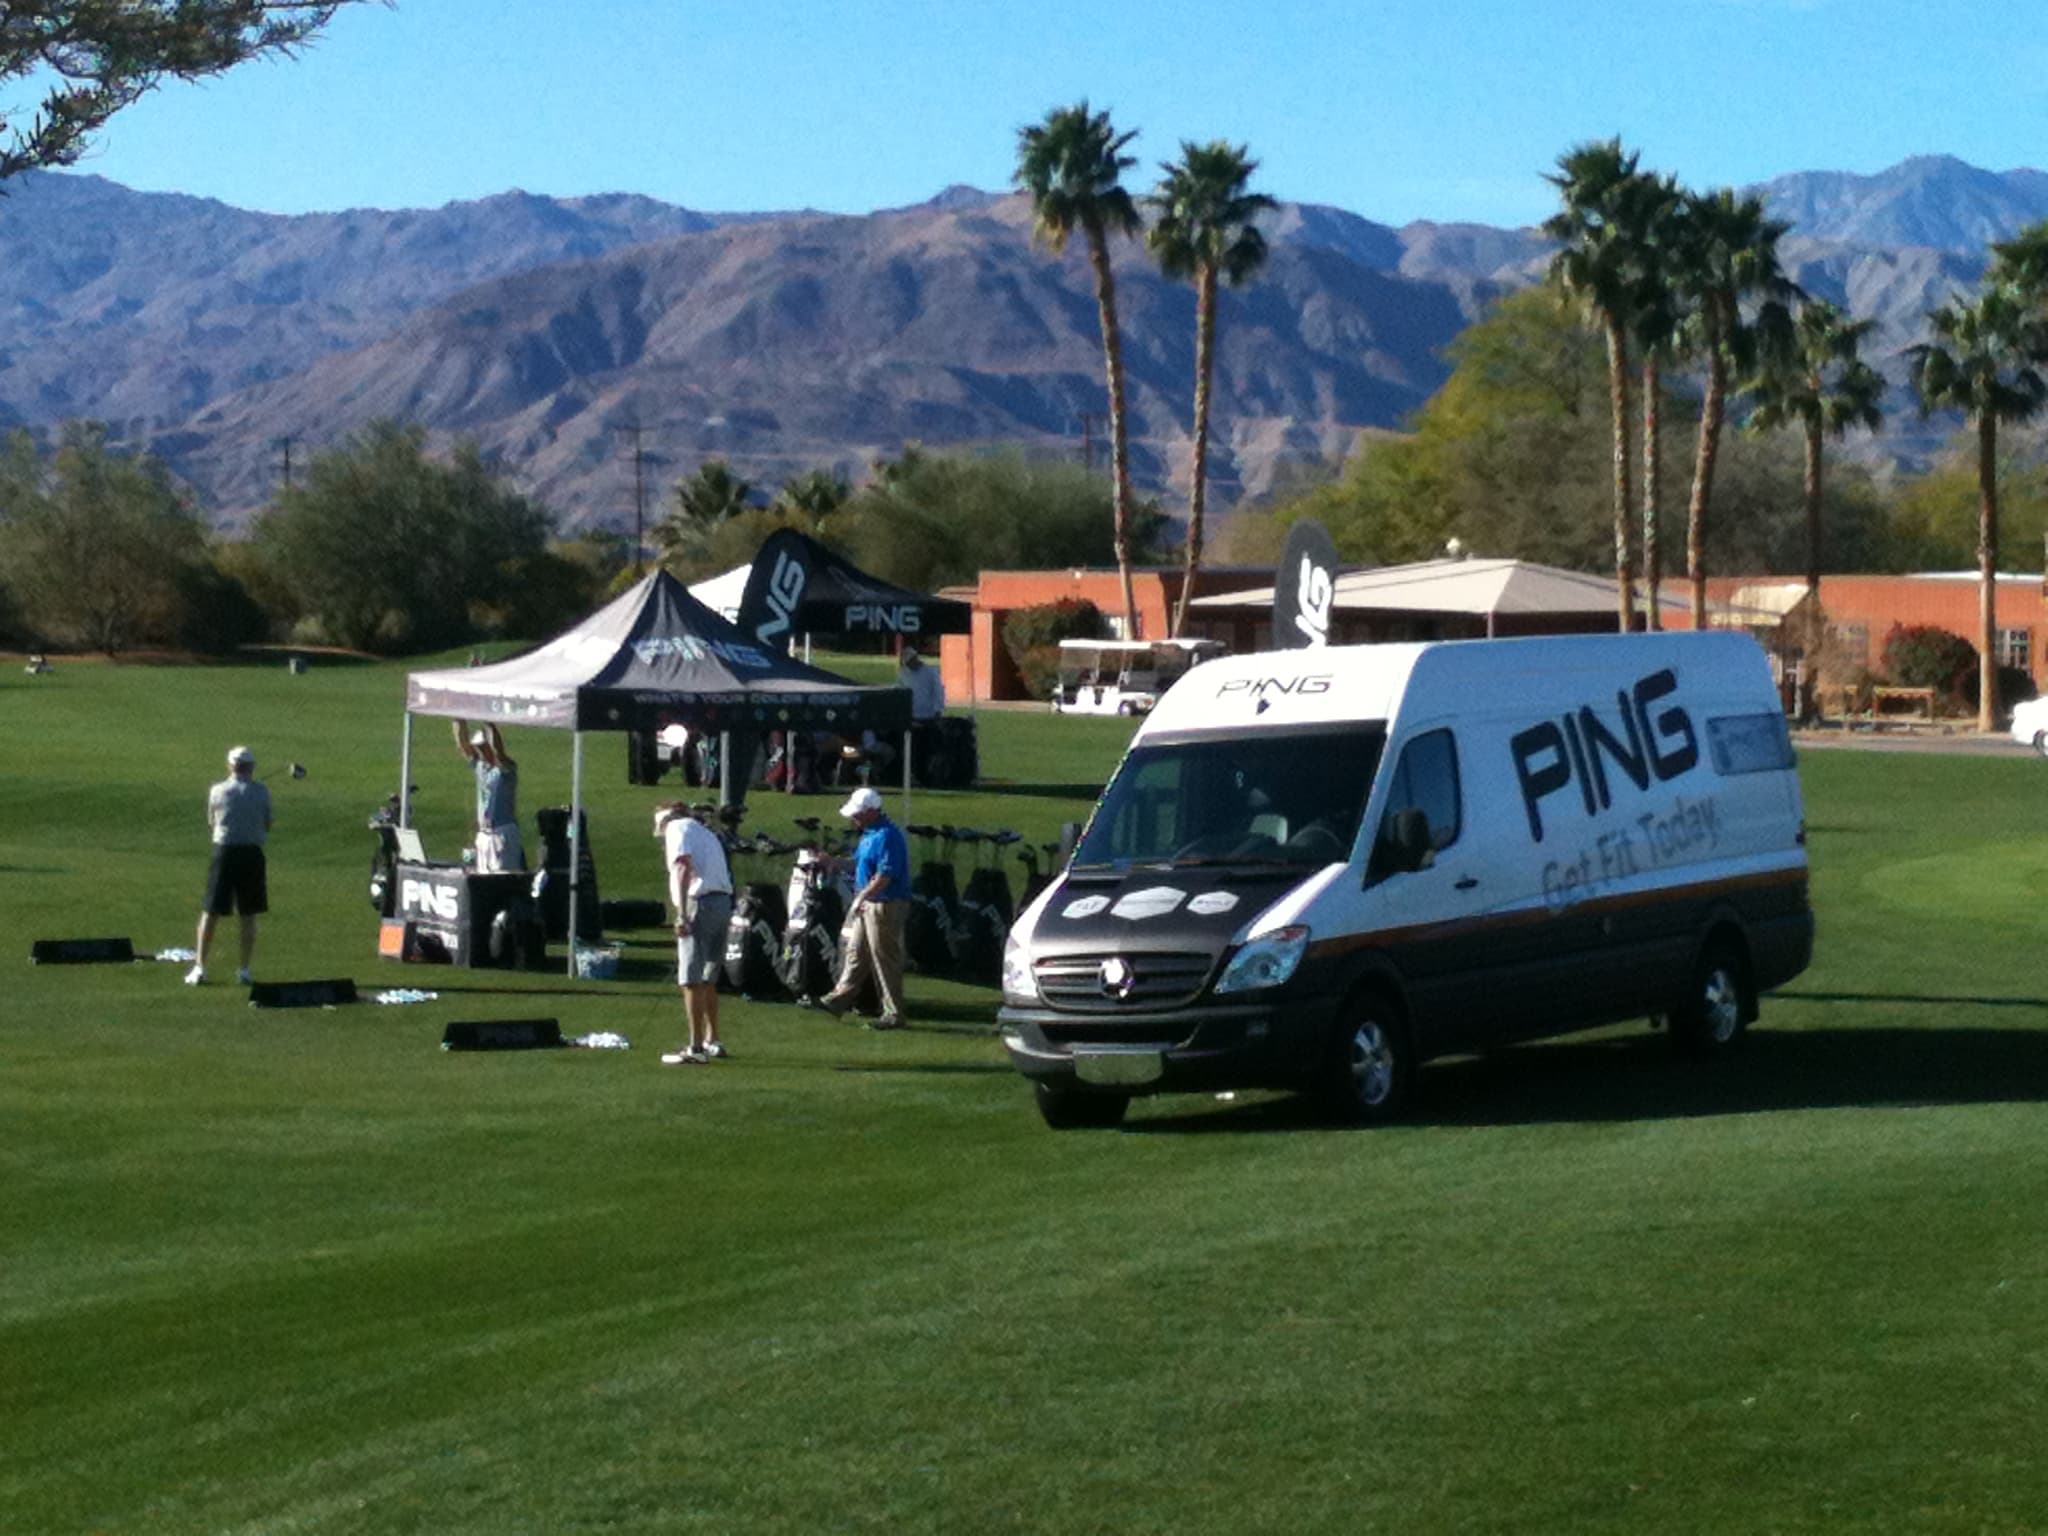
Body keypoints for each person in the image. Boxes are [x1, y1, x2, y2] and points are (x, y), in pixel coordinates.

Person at [809, 785, 911, 1029]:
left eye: (857, 813)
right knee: (856, 952)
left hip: (884, 903)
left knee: (884, 956)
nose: (853, 818)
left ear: (871, 811)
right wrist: (833, 862)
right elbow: (860, 865)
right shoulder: (869, 834)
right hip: (869, 903)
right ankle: (837, 1000)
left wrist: (862, 896)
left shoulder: (887, 835)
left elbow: (885, 875)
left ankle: (894, 1013)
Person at [186, 745, 272, 985]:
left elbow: (211, 822)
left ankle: (200, 967)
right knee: (248, 914)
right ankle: (244, 969)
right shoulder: (262, 792)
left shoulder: (218, 790)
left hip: (224, 853)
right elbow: (267, 824)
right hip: (252, 854)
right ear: (251, 768)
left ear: (230, 766)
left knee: (211, 911)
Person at [657, 801, 734, 1065]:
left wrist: (680, 913)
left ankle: (696, 1046)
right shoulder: (704, 831)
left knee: (690, 978)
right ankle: (714, 1039)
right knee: (708, 977)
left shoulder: (677, 828)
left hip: (699, 901)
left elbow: (682, 867)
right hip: (723, 901)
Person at [454, 720, 523, 871]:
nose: (480, 751)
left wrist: (490, 725)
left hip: (502, 832)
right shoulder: (481, 766)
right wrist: (458, 720)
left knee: (505, 876)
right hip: (484, 834)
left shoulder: (505, 769)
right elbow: (462, 745)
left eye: (483, 747)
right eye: (478, 748)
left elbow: (499, 753)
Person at [898, 646, 946, 722]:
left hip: (929, 714)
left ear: (915, 658)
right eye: (907, 664)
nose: (909, 666)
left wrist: (938, 709)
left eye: (910, 662)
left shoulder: (931, 671)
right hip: (912, 714)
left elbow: (939, 692)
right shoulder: (903, 674)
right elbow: (901, 692)